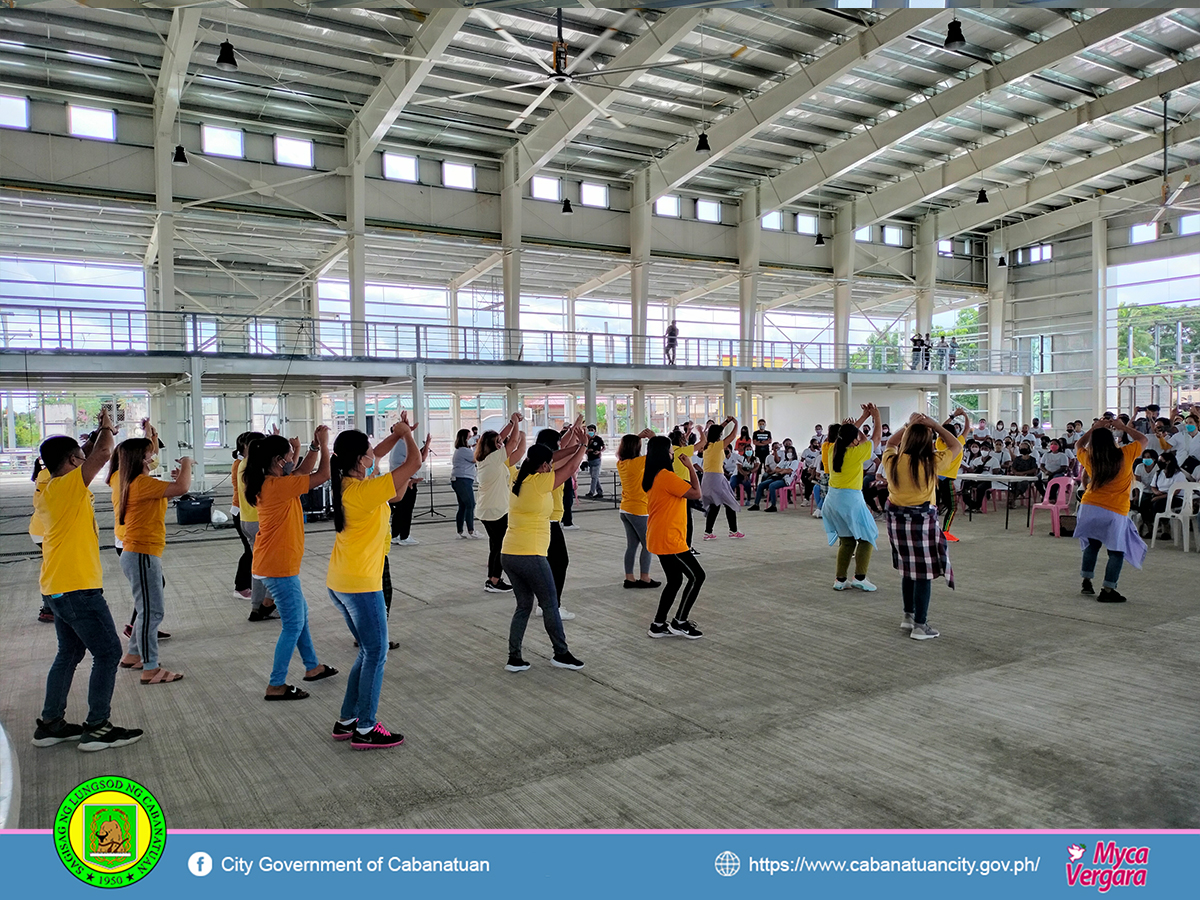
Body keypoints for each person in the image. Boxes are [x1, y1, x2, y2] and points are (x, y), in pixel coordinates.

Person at [34, 408, 145, 752]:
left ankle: (50, 723)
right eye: (79, 458)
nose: (86, 463)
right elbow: (103, 454)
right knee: (109, 652)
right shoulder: (65, 487)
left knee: (69, 652)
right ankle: (97, 727)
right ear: (71, 460)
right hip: (78, 589)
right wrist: (108, 427)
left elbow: (93, 452)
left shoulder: (47, 487)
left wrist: (96, 436)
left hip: (56, 587)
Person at [326, 418, 422, 749]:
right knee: (376, 652)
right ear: (360, 460)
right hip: (361, 584)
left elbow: (388, 480)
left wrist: (395, 435)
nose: (374, 455)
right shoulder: (364, 491)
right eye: (369, 453)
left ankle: (348, 719)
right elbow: (414, 463)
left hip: (343, 580)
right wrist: (408, 437)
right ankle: (366, 728)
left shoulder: (349, 484)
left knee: (368, 651)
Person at [244, 426, 337, 700]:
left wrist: (315, 448)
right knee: (293, 624)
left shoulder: (271, 482)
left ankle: (313, 667)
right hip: (278, 565)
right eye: (287, 457)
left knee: (300, 616)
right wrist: (326, 445)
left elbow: (302, 472)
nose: (290, 461)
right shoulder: (278, 486)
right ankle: (276, 684)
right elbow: (321, 475)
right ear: (277, 460)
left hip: (275, 563)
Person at [502, 438, 588, 673]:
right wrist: (584, 447)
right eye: (548, 464)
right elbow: (570, 468)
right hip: (532, 554)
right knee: (550, 604)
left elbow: (557, 461)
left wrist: (577, 445)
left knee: (523, 606)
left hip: (509, 553)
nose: (551, 467)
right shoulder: (540, 482)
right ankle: (561, 653)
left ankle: (514, 657)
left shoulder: (517, 477)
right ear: (542, 466)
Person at [114, 438, 192, 684]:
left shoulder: (136, 483)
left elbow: (172, 490)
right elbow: (182, 489)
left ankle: (134, 654)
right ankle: (151, 668)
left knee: (145, 608)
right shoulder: (141, 483)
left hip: (141, 554)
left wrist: (178, 477)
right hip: (142, 554)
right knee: (151, 611)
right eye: (150, 453)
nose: (154, 456)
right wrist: (188, 464)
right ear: (141, 459)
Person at [882, 412, 961, 640]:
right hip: (922, 523)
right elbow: (955, 445)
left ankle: (908, 616)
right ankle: (920, 624)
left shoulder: (892, 461)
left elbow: (889, 442)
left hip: (896, 522)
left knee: (907, 570)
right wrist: (935, 425)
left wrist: (909, 424)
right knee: (923, 573)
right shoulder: (931, 462)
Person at [1074, 418, 1148, 602]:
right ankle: (1108, 589)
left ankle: (1086, 581)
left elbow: (1078, 444)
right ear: (1113, 440)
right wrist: (1123, 427)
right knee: (1116, 551)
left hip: (1089, 506)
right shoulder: (1126, 453)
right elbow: (1143, 439)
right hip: (1115, 510)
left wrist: (1094, 428)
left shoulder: (1090, 457)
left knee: (1092, 544)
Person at [643, 435, 705, 639]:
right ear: (664, 453)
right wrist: (691, 468)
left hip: (660, 535)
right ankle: (680, 622)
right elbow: (696, 493)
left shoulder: (654, 475)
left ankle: (658, 624)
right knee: (697, 576)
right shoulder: (666, 476)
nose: (673, 453)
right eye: (671, 450)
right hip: (670, 539)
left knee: (675, 580)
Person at [823, 403, 882, 591]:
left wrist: (864, 416)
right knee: (868, 537)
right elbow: (877, 438)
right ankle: (860, 577)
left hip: (832, 500)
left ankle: (840, 580)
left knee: (847, 540)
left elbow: (847, 434)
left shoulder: (834, 449)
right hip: (851, 500)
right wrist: (876, 416)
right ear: (854, 440)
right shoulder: (855, 453)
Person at [534, 420, 585, 620]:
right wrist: (582, 445)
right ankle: (552, 606)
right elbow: (571, 461)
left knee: (548, 564)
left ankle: (544, 604)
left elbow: (563, 446)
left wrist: (574, 430)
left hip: (546, 519)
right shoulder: (551, 463)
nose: (560, 445)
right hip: (549, 522)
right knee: (559, 563)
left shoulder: (540, 460)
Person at [477, 413, 525, 594]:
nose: (501, 444)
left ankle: (493, 578)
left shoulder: (486, 458)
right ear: (492, 446)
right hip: (496, 510)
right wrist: (516, 426)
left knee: (496, 544)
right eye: (497, 443)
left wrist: (512, 422)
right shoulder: (494, 458)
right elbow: (512, 443)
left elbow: (502, 437)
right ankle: (494, 580)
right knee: (500, 546)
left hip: (488, 509)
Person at [617, 429, 660, 589]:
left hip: (625, 509)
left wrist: (637, 437)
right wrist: (653, 439)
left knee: (632, 546)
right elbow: (657, 454)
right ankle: (645, 577)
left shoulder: (621, 463)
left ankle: (629, 578)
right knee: (648, 545)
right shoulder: (638, 463)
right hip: (639, 509)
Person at [697, 416, 745, 538]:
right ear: (719, 435)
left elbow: (716, 430)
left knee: (715, 504)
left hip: (708, 477)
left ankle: (708, 532)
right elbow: (733, 436)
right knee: (728, 502)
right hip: (716, 477)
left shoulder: (707, 445)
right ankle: (733, 531)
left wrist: (726, 422)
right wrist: (735, 423)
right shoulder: (717, 445)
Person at [389, 425, 431, 546]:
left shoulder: (396, 444)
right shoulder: (403, 444)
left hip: (400, 480)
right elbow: (420, 459)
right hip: (407, 482)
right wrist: (427, 444)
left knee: (399, 510)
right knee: (406, 510)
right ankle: (404, 536)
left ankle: (395, 535)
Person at [29, 457, 53, 623]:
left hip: (41, 529)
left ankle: (49, 606)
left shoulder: (44, 473)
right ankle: (48, 607)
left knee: (51, 567)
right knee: (53, 569)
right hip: (46, 531)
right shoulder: (49, 475)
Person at [450, 428, 480, 540]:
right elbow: (476, 458)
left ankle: (460, 530)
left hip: (459, 479)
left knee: (463, 505)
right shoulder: (464, 450)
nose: (471, 439)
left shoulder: (461, 450)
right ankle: (471, 530)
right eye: (469, 437)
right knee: (470, 504)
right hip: (463, 479)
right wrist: (480, 447)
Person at [584, 425, 605, 499]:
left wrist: (599, 452)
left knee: (594, 477)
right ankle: (600, 492)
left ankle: (591, 492)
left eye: (592, 430)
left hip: (596, 460)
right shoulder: (587, 439)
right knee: (595, 477)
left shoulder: (598, 439)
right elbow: (584, 448)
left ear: (595, 431)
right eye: (589, 430)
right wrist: (587, 450)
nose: (590, 431)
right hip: (590, 460)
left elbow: (604, 447)